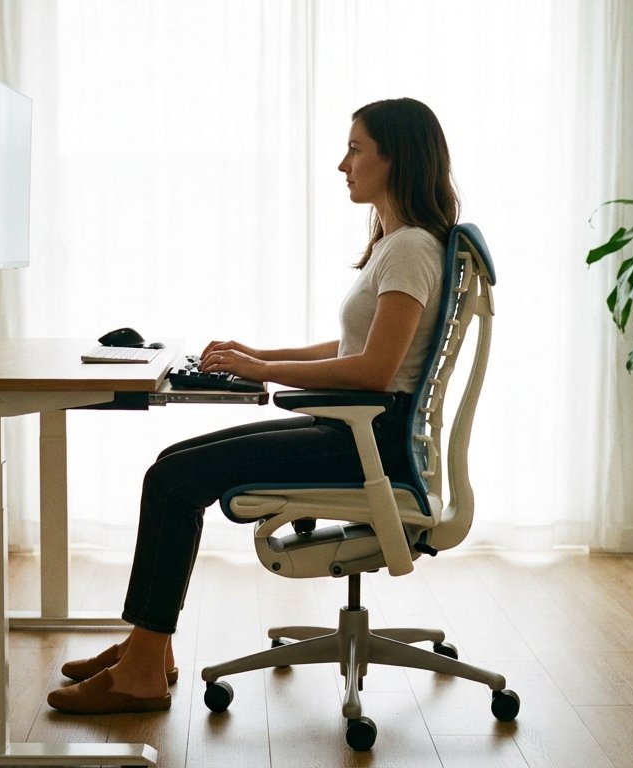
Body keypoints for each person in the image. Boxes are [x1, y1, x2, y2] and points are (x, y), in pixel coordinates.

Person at [48, 97, 459, 715]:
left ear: (394, 159)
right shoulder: (398, 244)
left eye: (355, 148)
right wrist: (258, 352)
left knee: (174, 478)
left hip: (365, 441)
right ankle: (148, 648)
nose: (342, 164)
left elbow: (374, 371)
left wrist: (263, 370)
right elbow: (359, 346)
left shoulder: (410, 250)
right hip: (359, 433)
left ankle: (141, 670)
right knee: (171, 465)